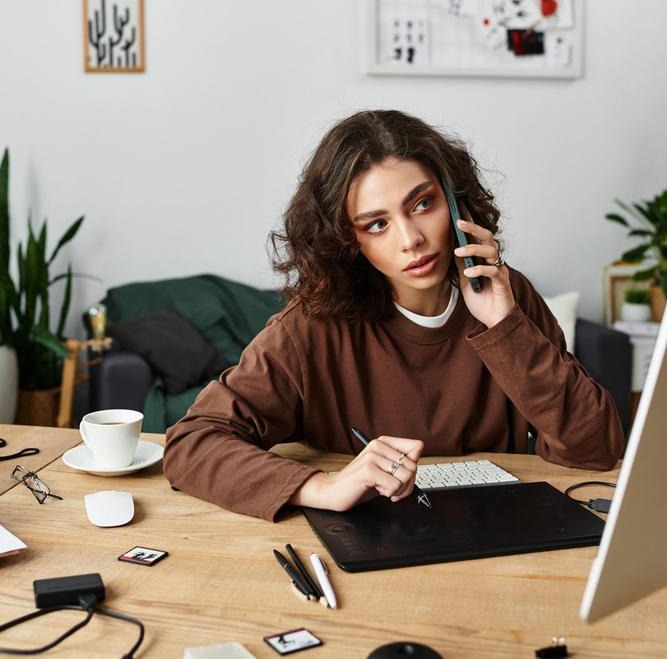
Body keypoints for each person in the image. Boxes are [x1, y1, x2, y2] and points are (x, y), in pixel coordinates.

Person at [163, 110, 624, 521]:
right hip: (365, 542)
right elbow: (193, 443)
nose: (411, 239)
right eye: (377, 224)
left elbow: (596, 448)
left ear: (456, 203)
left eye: (423, 204)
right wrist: (323, 486)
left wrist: (505, 328)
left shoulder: (508, 295)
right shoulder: (311, 327)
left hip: (493, 541)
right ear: (349, 240)